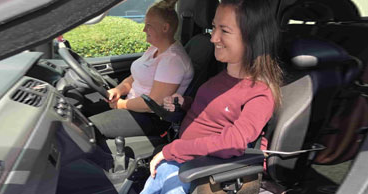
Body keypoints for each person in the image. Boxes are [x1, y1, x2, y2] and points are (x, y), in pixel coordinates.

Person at [140, 0, 283, 193]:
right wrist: (184, 103)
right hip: (177, 162)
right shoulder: (222, 76)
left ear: (252, 38)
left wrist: (172, 151)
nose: (213, 37)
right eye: (214, 27)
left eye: (224, 31)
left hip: (200, 173)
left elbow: (233, 143)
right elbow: (211, 109)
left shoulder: (260, 93)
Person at [89, 0, 194, 138]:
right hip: (132, 105)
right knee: (83, 111)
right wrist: (118, 90)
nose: (144, 29)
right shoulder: (155, 48)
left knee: (87, 130)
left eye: (148, 25)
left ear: (165, 28)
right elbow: (135, 77)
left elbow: (153, 103)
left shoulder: (172, 60)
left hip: (149, 117)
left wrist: (121, 104)